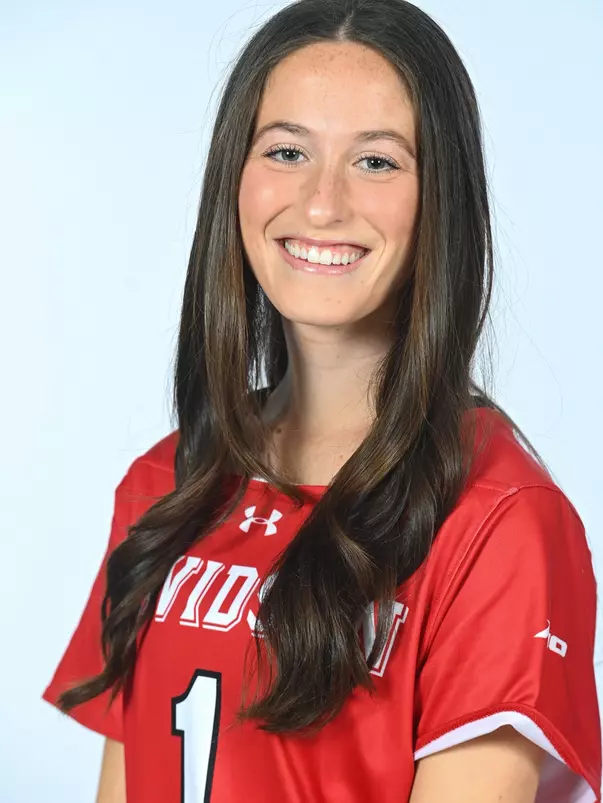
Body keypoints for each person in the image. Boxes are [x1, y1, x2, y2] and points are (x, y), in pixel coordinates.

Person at [42, 0, 601, 801]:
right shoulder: (166, 482)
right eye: (286, 150)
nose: (320, 204)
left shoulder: (500, 518)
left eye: (375, 161)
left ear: (440, 199)